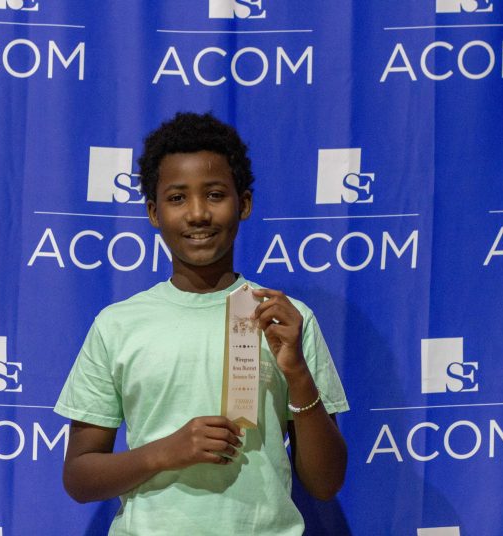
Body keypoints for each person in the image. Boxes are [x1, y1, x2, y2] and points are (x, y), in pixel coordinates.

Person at [54, 112, 349, 535]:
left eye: (214, 195)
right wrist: (166, 451)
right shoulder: (116, 325)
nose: (197, 214)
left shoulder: (284, 319)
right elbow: (80, 478)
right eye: (177, 198)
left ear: (243, 204)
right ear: (154, 212)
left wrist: (298, 374)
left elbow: (326, 483)